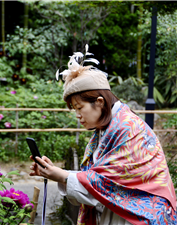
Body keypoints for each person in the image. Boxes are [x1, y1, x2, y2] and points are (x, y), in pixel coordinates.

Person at [29, 45, 177, 225]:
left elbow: (104, 183)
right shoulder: (105, 130)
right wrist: (56, 173)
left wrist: (61, 175)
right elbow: (97, 183)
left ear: (99, 102)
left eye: (79, 108)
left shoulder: (128, 128)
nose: (77, 115)